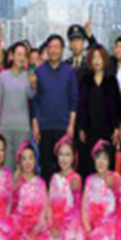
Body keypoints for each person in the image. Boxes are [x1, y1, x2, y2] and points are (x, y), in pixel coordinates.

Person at [31, 35, 79, 183]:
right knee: (45, 167)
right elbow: (35, 101)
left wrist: (71, 125)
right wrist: (35, 126)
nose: (53, 50)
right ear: (47, 49)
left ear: (62, 50)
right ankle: (46, 195)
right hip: (44, 127)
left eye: (57, 47)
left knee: (63, 167)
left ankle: (62, 195)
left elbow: (74, 100)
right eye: (50, 47)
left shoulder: (69, 72)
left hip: (63, 127)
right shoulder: (39, 72)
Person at [78, 46, 121, 179]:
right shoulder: (85, 80)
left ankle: (107, 190)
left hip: (107, 130)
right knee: (89, 162)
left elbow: (118, 106)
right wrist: (81, 127)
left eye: (99, 58)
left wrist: (117, 127)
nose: (97, 61)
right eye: (94, 58)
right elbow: (81, 105)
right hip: (90, 129)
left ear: (104, 60)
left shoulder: (111, 81)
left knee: (106, 161)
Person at [0, 42, 36, 165]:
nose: (21, 58)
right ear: (11, 56)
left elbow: (31, 95)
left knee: (21, 164)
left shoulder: (28, 75)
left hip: (23, 127)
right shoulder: (2, 76)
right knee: (6, 164)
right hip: (5, 127)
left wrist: (33, 85)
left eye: (24, 55)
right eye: (19, 54)